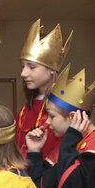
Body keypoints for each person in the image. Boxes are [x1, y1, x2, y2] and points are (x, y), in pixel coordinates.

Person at [16, 19, 72, 164]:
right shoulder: (25, 110)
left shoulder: (64, 106)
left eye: (31, 67)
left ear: (52, 69)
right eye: (23, 66)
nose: (23, 73)